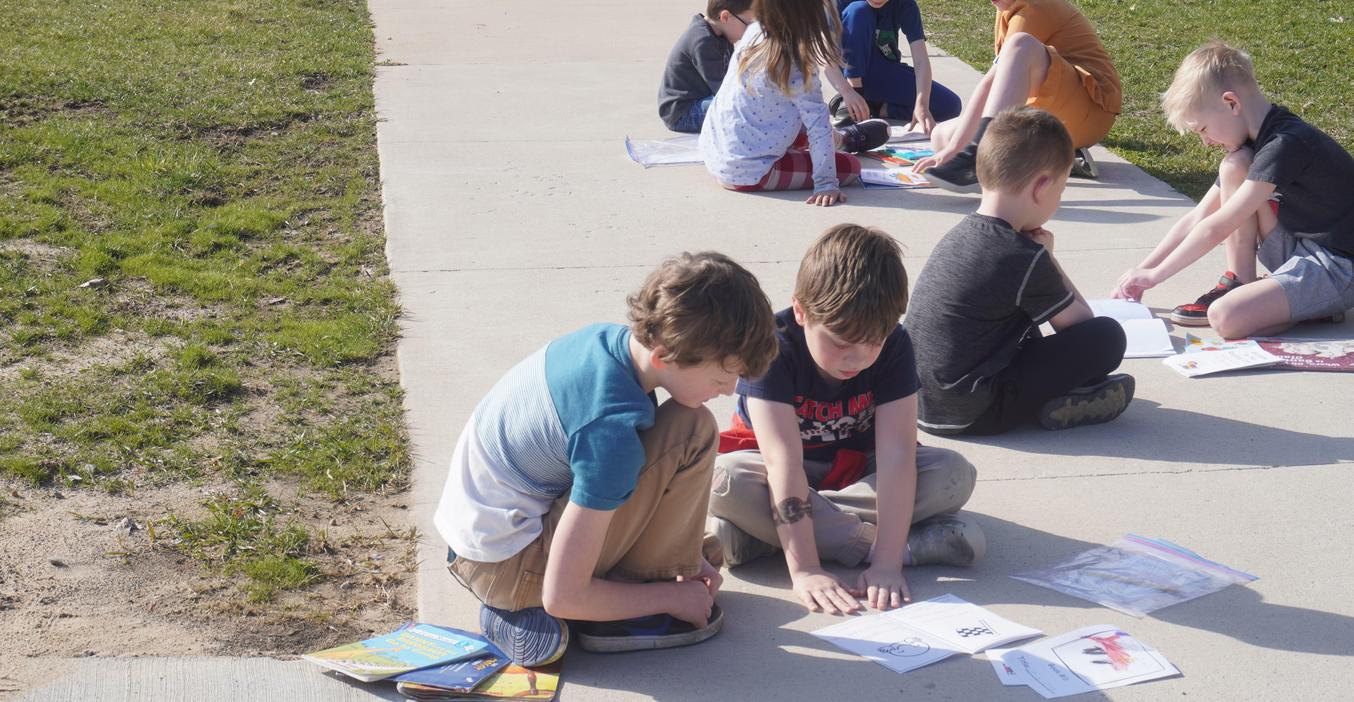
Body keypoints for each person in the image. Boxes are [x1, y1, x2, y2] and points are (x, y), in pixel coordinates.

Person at [435, 252, 778, 665]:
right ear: (664, 356)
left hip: (476, 542)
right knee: (695, 433)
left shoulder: (609, 345)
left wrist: (687, 557)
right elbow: (563, 595)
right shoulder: (610, 430)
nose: (728, 390)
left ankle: (618, 588)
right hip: (505, 568)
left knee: (699, 551)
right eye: (722, 377)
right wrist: (669, 597)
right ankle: (534, 607)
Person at [709, 224, 985, 615]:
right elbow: (782, 464)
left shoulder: (895, 344)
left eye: (874, 342)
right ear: (801, 311)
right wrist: (806, 569)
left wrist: (886, 565)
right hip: (775, 474)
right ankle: (896, 544)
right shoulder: (770, 345)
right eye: (839, 342)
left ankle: (760, 539)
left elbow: (897, 456)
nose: (858, 358)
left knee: (953, 474)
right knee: (725, 480)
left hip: (859, 473)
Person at [907, 107, 1132, 435]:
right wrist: (1048, 258)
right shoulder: (1021, 254)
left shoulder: (960, 235)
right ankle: (1062, 398)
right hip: (974, 411)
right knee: (1107, 337)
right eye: (1060, 191)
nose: (1058, 200)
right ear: (1041, 188)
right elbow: (1083, 325)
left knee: (1022, 324)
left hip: (917, 401)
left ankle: (1059, 397)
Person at [1113, 41, 1354, 336]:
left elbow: (1219, 226)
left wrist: (1157, 275)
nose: (1206, 142)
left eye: (1202, 129)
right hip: (1299, 249)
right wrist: (1142, 271)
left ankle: (1308, 307)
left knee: (1225, 317)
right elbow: (1199, 217)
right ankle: (1243, 283)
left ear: (1231, 103)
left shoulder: (1286, 143)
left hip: (1337, 268)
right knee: (1234, 165)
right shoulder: (1254, 142)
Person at [700, 0, 892, 207]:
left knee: (793, 113)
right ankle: (842, 141)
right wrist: (826, 184)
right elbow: (817, 125)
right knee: (851, 166)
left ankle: (839, 140)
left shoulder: (754, 30)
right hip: (751, 173)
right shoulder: (798, 62)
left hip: (716, 154)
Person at [916, 0, 1120, 192]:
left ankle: (980, 156)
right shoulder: (1007, 7)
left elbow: (991, 83)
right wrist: (951, 147)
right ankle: (1054, 155)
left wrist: (959, 151)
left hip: (1090, 109)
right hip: (1055, 118)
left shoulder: (1032, 7)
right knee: (941, 136)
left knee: (1021, 43)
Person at [828, 0, 963, 131]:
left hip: (885, 72)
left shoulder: (906, 4)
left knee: (951, 106)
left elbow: (920, 59)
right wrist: (847, 91)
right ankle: (853, 104)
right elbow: (825, 58)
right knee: (858, 10)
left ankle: (875, 107)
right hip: (849, 76)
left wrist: (922, 104)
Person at [658, 0, 757, 134]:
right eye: (748, 25)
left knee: (748, 103)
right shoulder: (703, 41)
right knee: (742, 109)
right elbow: (724, 91)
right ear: (725, 17)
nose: (750, 32)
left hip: (701, 99)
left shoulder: (721, 34)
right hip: (683, 112)